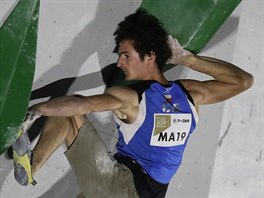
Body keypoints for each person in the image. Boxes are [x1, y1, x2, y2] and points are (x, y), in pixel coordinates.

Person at [12, 8, 253, 198]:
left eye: (125, 55)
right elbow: (242, 81)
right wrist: (188, 60)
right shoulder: (191, 95)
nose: (119, 63)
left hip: (121, 186)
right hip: (144, 191)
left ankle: (31, 165)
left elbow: (82, 105)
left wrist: (37, 110)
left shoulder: (133, 98)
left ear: (150, 56)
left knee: (66, 107)